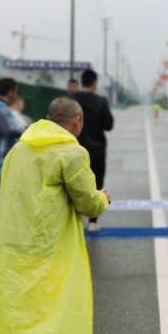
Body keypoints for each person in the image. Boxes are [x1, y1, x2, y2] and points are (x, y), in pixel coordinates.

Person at [0, 97, 110, 334]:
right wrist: (104, 198)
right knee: (42, 315)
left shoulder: (20, 147)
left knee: (27, 312)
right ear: (77, 121)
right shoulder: (71, 153)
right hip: (47, 246)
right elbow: (87, 202)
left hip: (15, 243)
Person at [73, 68, 114, 233]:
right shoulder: (101, 102)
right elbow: (109, 125)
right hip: (97, 151)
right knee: (96, 184)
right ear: (94, 83)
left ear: (82, 82)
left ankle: (73, 221)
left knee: (73, 184)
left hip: (74, 150)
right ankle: (92, 221)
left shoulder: (72, 101)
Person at [0, 77, 26, 231]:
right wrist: (28, 129)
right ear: (11, 92)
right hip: (0, 158)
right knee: (3, 195)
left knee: (0, 194)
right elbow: (9, 129)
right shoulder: (0, 108)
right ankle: (0, 228)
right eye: (15, 91)